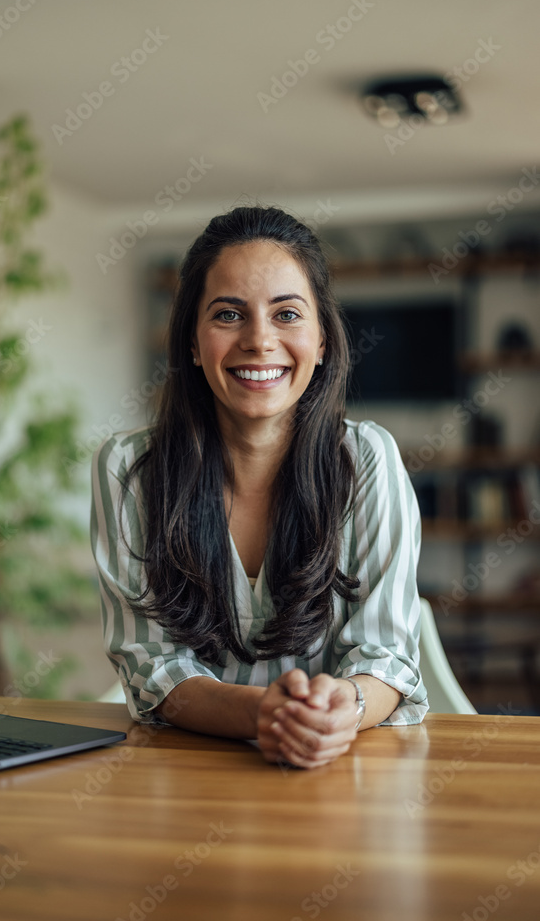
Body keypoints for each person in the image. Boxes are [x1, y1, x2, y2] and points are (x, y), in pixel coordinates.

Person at [91, 205, 428, 769]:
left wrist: (336, 708)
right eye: (228, 314)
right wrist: (263, 715)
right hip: (187, 779)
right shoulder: (129, 470)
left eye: (287, 313)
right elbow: (152, 666)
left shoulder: (367, 458)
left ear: (321, 340)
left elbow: (387, 657)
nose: (259, 340)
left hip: (343, 775)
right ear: (193, 344)